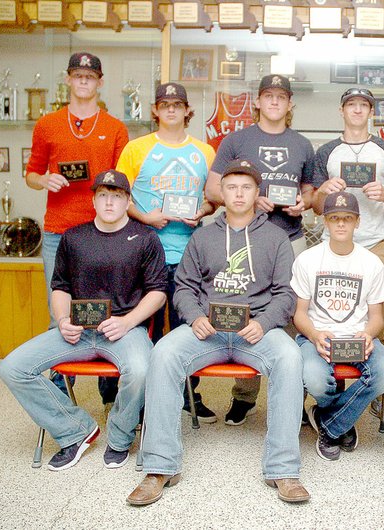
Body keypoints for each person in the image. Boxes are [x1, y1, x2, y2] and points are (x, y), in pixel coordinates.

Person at [128, 159, 309, 506]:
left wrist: (265, 322)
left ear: (258, 193)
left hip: (255, 329)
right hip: (207, 328)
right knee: (163, 353)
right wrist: (194, 316)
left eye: (246, 187)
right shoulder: (203, 236)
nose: (239, 194)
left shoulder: (275, 237)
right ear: (221, 192)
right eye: (232, 187)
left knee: (289, 356)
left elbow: (286, 293)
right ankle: (159, 466)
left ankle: (284, 469)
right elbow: (183, 287)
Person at [0, 170, 167, 471]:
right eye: (103, 195)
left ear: (128, 200)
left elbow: (158, 293)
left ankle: (120, 436)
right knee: (12, 367)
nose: (109, 202)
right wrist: (62, 319)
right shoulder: (73, 238)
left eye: (117, 196)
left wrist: (127, 322)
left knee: (141, 369)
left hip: (124, 330)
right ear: (93, 200)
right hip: (77, 330)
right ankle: (75, 431)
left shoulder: (146, 238)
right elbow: (60, 287)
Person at [205, 74, 315, 426]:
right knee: (244, 309)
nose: (273, 102)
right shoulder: (236, 140)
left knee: (294, 317)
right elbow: (211, 188)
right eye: (268, 95)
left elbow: (311, 190)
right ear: (257, 101)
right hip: (245, 238)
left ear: (289, 104)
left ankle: (293, 396)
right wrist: (250, 199)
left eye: (281, 97)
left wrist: (304, 202)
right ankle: (244, 396)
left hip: (291, 236)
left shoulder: (302, 143)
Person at [24, 52, 129, 406]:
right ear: (68, 79)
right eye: (77, 75)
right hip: (58, 232)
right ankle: (58, 388)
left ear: (100, 82)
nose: (84, 81)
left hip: (104, 232)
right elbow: (30, 174)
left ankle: (107, 383)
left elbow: (122, 182)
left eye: (90, 76)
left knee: (107, 307)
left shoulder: (115, 127)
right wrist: (44, 179)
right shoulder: (47, 124)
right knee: (61, 312)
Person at [116, 82, 218, 423]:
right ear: (155, 110)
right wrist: (145, 217)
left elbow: (213, 198)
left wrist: (202, 211)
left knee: (188, 325)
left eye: (178, 104)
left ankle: (190, 393)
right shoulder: (136, 148)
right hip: (143, 250)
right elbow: (118, 195)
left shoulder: (204, 152)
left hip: (189, 251)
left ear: (188, 110)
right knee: (143, 325)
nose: (171, 109)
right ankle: (141, 397)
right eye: (164, 104)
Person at [292, 191, 384, 461]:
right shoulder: (307, 259)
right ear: (325, 221)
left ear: (357, 222)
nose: (340, 224)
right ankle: (341, 421)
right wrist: (315, 335)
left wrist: (368, 334)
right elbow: (299, 315)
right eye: (334, 218)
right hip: (316, 337)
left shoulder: (371, 263)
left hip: (356, 338)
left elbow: (377, 318)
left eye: (347, 219)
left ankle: (329, 423)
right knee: (316, 379)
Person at [311, 87, 384, 355]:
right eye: (351, 104)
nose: (357, 109)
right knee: (333, 314)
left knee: (381, 317)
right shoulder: (327, 151)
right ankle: (332, 389)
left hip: (376, 243)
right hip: (334, 245)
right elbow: (317, 207)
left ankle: (378, 388)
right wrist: (324, 190)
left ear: (372, 112)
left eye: (364, 105)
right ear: (341, 110)